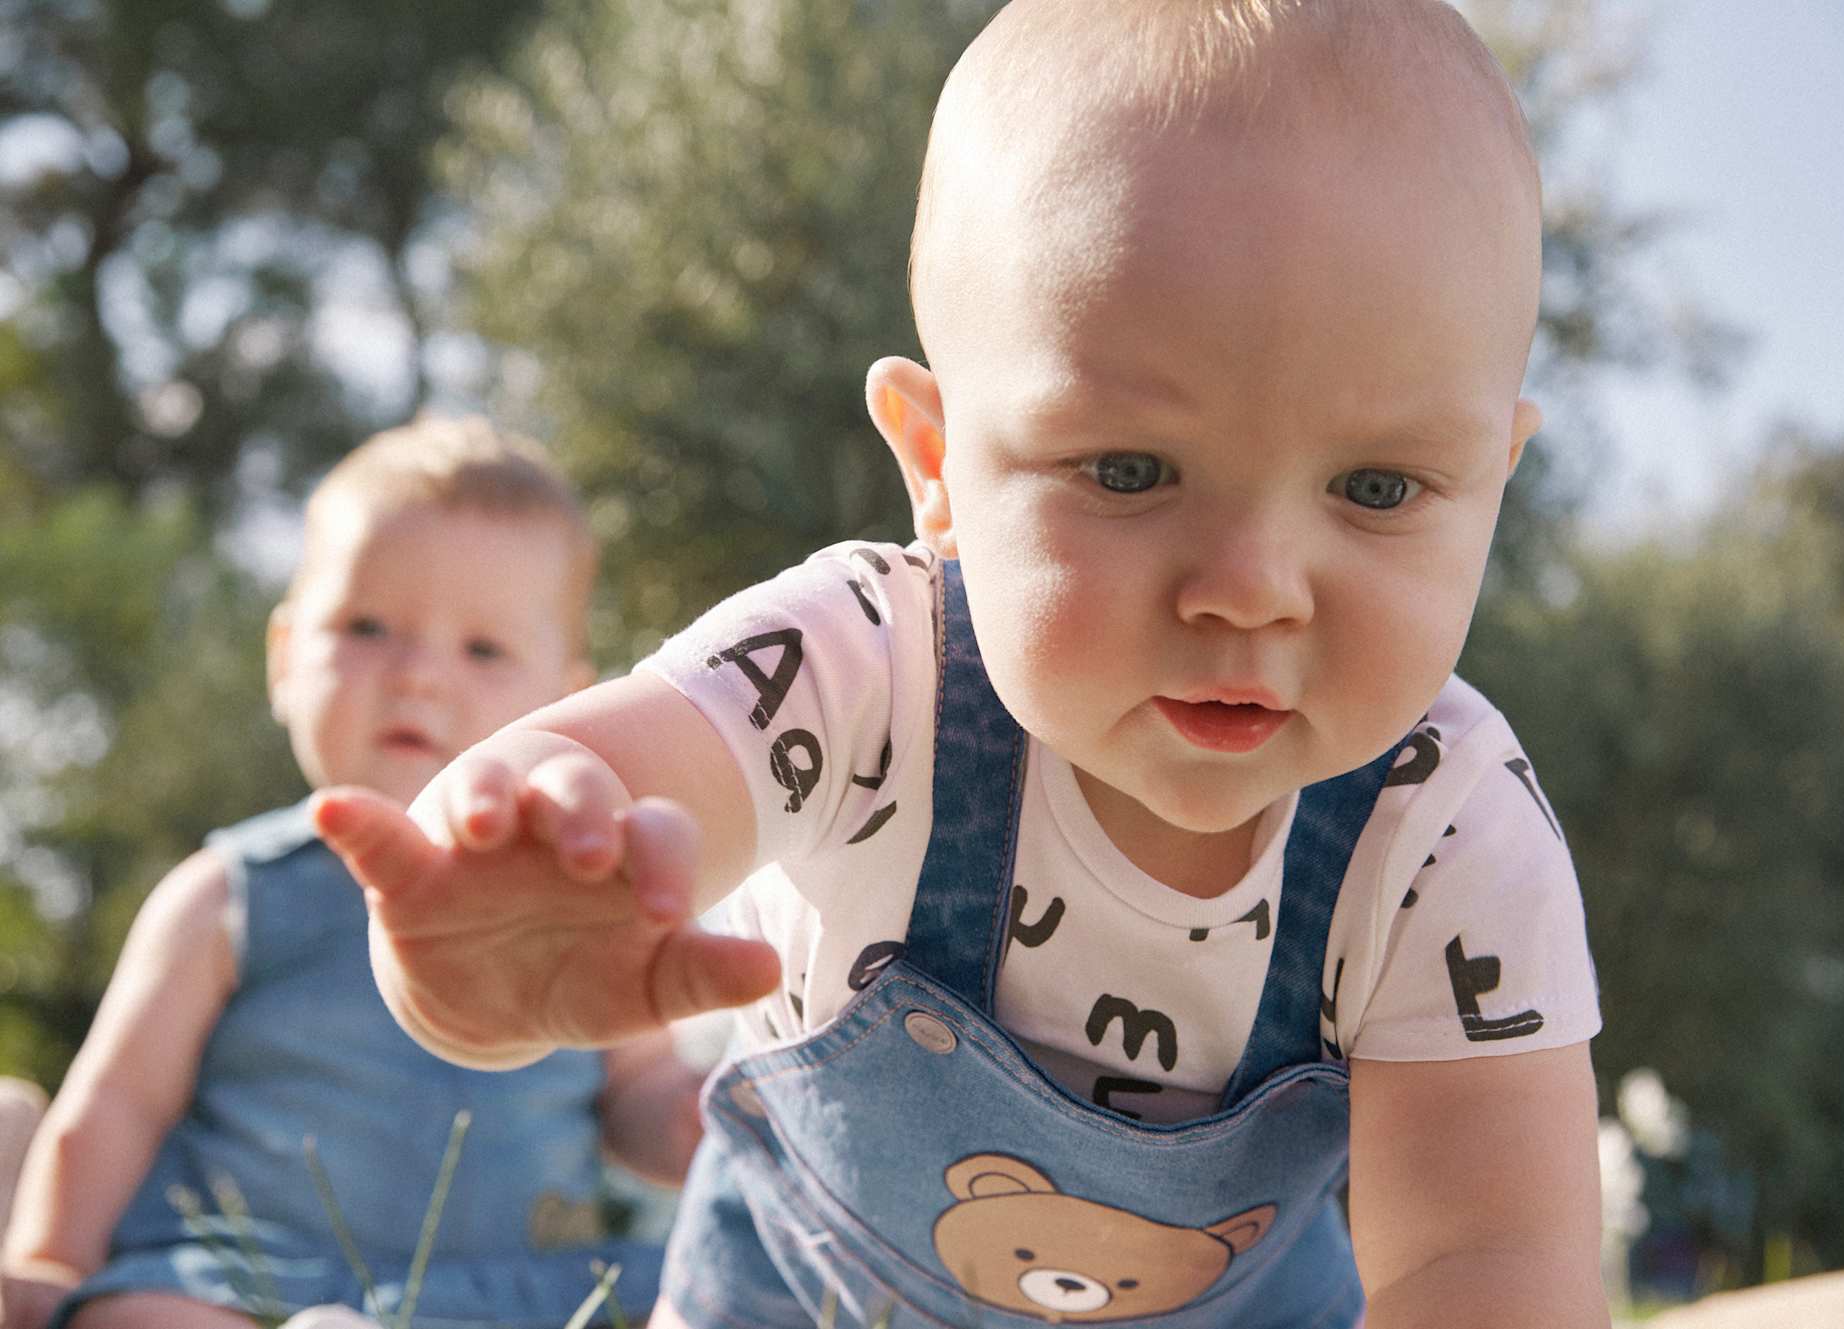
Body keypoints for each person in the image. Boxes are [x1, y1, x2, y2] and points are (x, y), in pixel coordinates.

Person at [313, 3, 1611, 1326]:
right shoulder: (861, 669)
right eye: (1127, 471)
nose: (1251, 589)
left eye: (1379, 487)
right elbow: (622, 774)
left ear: (1494, 482)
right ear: (938, 466)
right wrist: (497, 908)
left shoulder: (1450, 839)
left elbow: (1487, 1259)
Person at [0, 418, 705, 1329]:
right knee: (139, 1315)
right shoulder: (231, 892)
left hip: (506, 1297)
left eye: (483, 649)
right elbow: (120, 1103)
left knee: (695, 1295)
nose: (417, 676)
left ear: (567, 703)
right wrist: (50, 1258)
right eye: (367, 627)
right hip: (246, 1283)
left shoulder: (575, 901)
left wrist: (690, 1117)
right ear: (285, 658)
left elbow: (636, 1094)